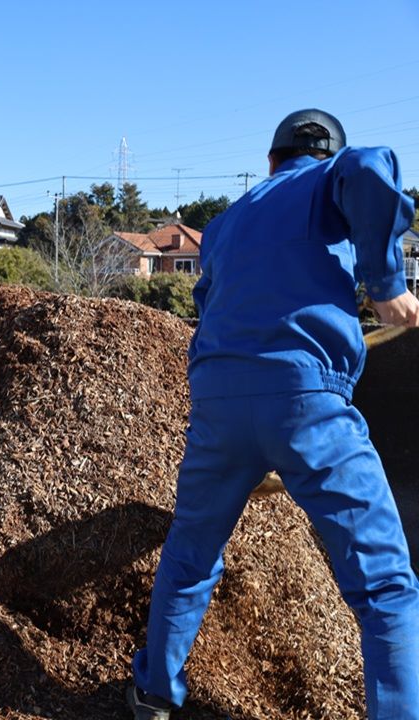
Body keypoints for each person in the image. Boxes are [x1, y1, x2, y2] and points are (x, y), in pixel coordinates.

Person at [127, 109, 419, 719]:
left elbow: (208, 303)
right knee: (386, 586)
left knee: (190, 554)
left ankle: (153, 694)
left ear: (270, 160)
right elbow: (371, 166)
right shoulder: (330, 177)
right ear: (322, 155)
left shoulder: (227, 222)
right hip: (307, 401)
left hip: (216, 402)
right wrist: (385, 281)